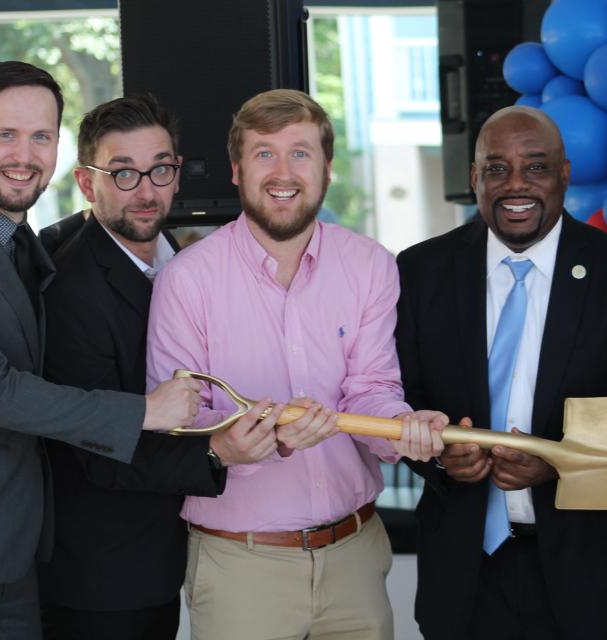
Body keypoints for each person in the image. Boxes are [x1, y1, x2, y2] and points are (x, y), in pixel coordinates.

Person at [0, 61, 201, 639]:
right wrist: (147, 410)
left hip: (20, 548)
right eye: (6, 134)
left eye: (41, 137)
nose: (24, 154)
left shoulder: (20, 237)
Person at [145, 88, 446, 640]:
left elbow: (372, 389)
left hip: (355, 555)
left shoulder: (370, 265)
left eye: (300, 153)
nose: (283, 172)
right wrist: (258, 443)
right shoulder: (186, 280)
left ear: (327, 170)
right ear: (237, 170)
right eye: (264, 154)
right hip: (241, 567)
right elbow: (179, 426)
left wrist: (405, 431)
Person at [395, 105, 607, 640]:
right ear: (474, 178)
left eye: (536, 167)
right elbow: (403, 398)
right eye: (496, 168)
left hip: (593, 576)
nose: (515, 184)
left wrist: (559, 464)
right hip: (467, 577)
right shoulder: (420, 271)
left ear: (565, 174)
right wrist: (442, 457)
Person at [36, 95, 236, 640]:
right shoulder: (70, 287)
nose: (147, 191)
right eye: (123, 173)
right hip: (101, 574)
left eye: (161, 169)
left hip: (165, 556)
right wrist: (219, 452)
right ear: (85, 182)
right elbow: (97, 454)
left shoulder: (178, 255)